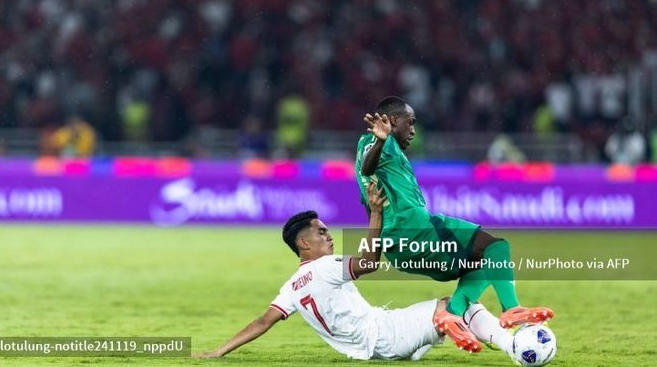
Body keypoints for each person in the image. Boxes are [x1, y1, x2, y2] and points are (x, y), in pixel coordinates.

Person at [194, 182, 514, 359]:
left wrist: (220, 350)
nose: (329, 234)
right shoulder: (327, 267)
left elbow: (264, 322)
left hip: (371, 348)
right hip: (386, 335)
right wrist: (376, 213)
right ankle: (515, 345)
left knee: (450, 309)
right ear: (304, 245)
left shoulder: (291, 286)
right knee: (458, 304)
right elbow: (368, 263)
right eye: (321, 232)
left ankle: (463, 328)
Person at [356, 96, 553, 351]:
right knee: (496, 248)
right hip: (418, 230)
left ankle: (452, 315)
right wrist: (381, 139)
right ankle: (509, 308)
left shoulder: (383, 150)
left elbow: (369, 192)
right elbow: (367, 167)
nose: (414, 130)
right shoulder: (375, 142)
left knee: (487, 259)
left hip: (400, 248)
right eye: (410, 123)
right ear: (393, 120)